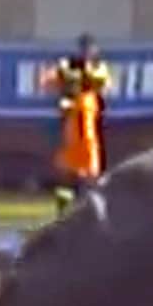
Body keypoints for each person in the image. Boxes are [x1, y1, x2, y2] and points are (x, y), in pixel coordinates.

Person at [42, 33, 111, 214]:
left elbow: (104, 84)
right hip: (74, 119)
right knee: (70, 165)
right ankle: (64, 208)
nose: (88, 52)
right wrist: (64, 88)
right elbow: (49, 81)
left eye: (91, 48)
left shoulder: (98, 67)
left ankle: (89, 205)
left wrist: (87, 77)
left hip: (89, 118)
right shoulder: (69, 65)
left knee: (90, 166)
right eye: (85, 48)